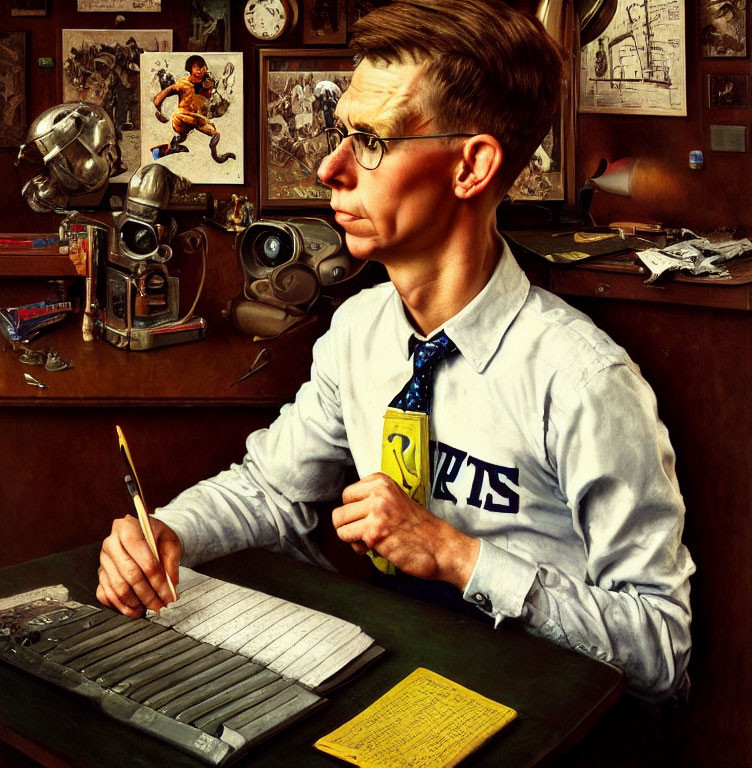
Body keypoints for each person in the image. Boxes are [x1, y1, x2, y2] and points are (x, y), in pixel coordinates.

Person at [98, 0, 694, 704]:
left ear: (471, 166)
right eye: (340, 133)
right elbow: (272, 488)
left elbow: (662, 649)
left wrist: (459, 557)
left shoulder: (584, 381)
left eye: (371, 141)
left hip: (538, 708)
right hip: (395, 682)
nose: (329, 167)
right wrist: (167, 531)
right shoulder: (359, 331)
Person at [152, 54, 235, 163]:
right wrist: (158, 108)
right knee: (182, 132)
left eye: (202, 67)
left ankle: (217, 157)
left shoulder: (208, 85)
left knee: (215, 134)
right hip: (181, 118)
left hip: (198, 119)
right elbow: (165, 93)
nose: (199, 70)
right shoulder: (183, 84)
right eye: (196, 67)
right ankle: (164, 151)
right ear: (190, 69)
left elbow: (213, 99)